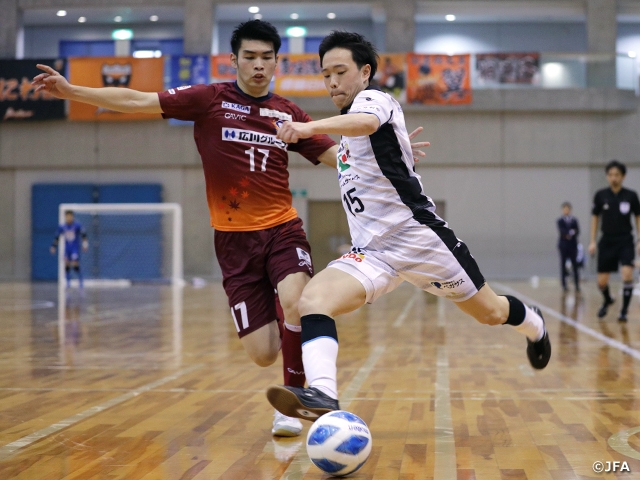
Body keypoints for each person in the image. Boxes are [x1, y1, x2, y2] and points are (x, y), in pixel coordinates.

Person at [32, 21, 428, 436]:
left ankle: (294, 401)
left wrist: (392, 154)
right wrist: (74, 91)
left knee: (298, 298)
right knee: (262, 352)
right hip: (232, 241)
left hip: (282, 230)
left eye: (267, 58)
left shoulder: (289, 113)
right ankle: (287, 328)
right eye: (250, 57)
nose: (259, 65)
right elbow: (136, 99)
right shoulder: (209, 100)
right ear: (235, 60)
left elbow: (339, 158)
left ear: (277, 62)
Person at [265, 31, 552, 420]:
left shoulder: (374, 99)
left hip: (421, 242)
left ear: (365, 72)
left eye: (340, 71)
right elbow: (369, 142)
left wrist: (306, 128)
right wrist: (399, 147)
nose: (331, 81)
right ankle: (323, 394)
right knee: (312, 301)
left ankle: (534, 324)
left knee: (492, 313)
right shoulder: (350, 139)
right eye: (325, 74)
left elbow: (366, 122)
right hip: (372, 253)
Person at [588, 160, 640, 322]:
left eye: (617, 175)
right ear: (607, 176)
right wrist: (593, 241)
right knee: (602, 280)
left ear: (623, 176)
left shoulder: (631, 196)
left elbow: (638, 217)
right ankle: (607, 299)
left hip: (625, 240)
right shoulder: (600, 195)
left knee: (627, 272)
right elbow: (595, 217)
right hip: (607, 241)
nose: (613, 178)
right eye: (610, 175)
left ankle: (623, 311)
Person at [51, 210, 88, 289]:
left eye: (70, 216)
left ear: (73, 217)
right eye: (67, 216)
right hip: (67, 248)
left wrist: (85, 244)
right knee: (67, 264)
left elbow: (84, 235)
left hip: (75, 248)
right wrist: (54, 246)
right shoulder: (62, 226)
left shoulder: (77, 225)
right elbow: (57, 237)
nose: (69, 218)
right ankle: (68, 282)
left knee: (75, 264)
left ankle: (81, 281)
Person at [557, 202, 580, 292]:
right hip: (563, 246)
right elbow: (562, 232)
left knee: (575, 265)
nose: (566, 210)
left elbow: (577, 231)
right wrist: (570, 232)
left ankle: (577, 284)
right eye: (564, 209)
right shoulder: (560, 221)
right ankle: (564, 285)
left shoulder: (574, 220)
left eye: (568, 209)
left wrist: (570, 233)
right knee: (563, 265)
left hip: (573, 246)